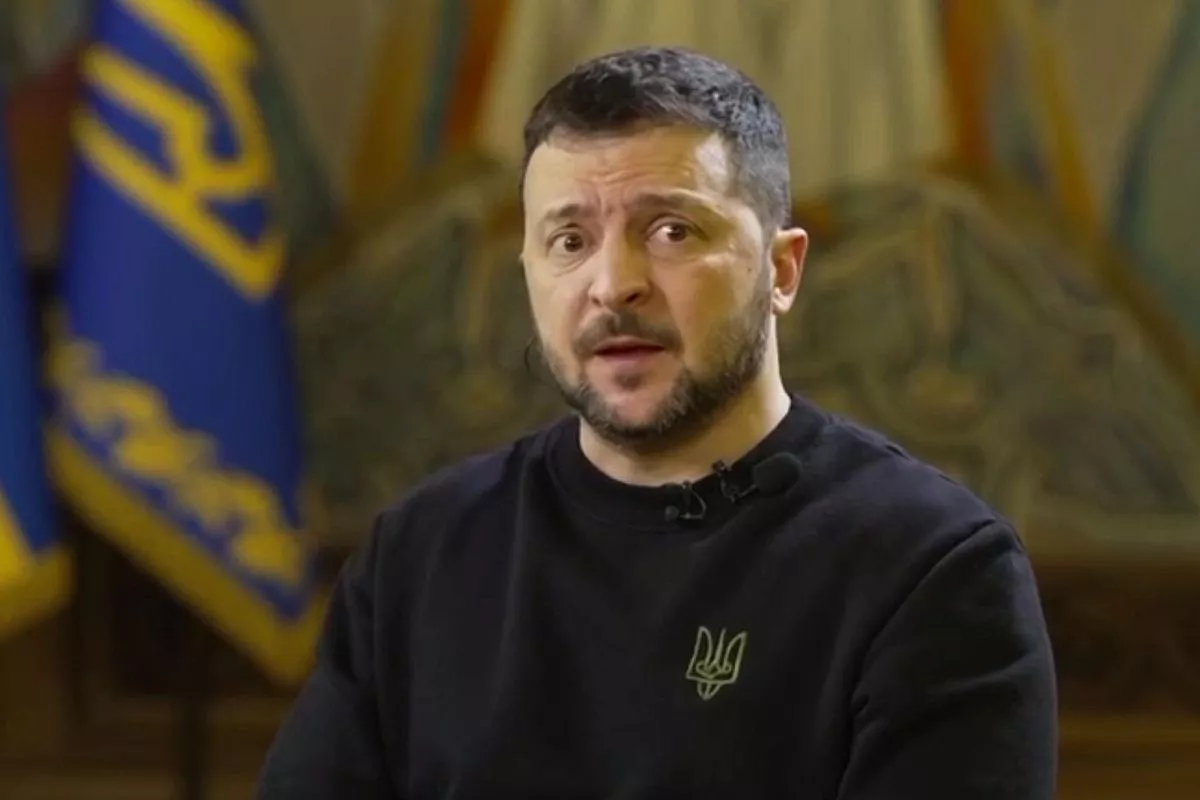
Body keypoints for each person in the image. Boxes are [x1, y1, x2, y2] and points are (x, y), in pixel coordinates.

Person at [258, 47, 1057, 799]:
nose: (614, 285)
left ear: (781, 270)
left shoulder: (934, 568)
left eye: (672, 231)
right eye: (570, 240)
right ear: (528, 273)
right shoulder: (420, 553)